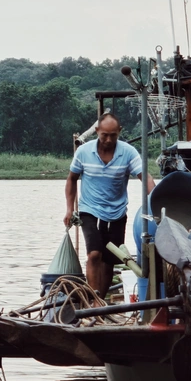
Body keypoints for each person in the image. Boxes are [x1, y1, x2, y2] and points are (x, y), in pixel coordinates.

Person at [63, 112, 155, 298]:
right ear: (97, 131)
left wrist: (156, 200)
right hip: (90, 210)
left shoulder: (128, 152)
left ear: (119, 131)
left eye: (113, 135)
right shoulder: (84, 152)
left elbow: (145, 178)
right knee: (94, 254)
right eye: (104, 135)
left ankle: (99, 301)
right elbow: (72, 179)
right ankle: (93, 299)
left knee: (109, 260)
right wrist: (69, 209)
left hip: (117, 212)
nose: (108, 140)